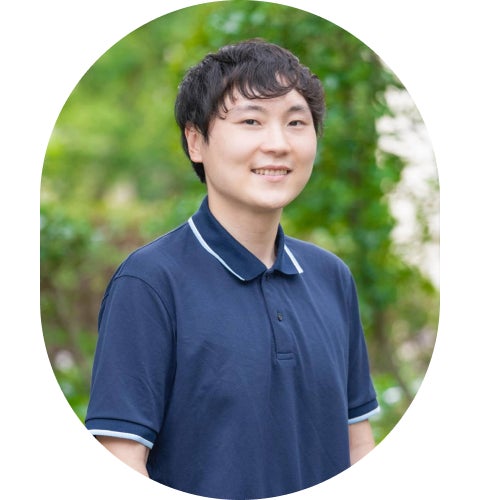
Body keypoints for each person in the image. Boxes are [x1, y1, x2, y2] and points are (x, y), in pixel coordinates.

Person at [85, 39, 379, 499]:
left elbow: (357, 445)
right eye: (250, 121)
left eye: (296, 123)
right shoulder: (150, 283)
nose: (278, 144)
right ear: (195, 141)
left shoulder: (331, 277)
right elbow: (121, 461)